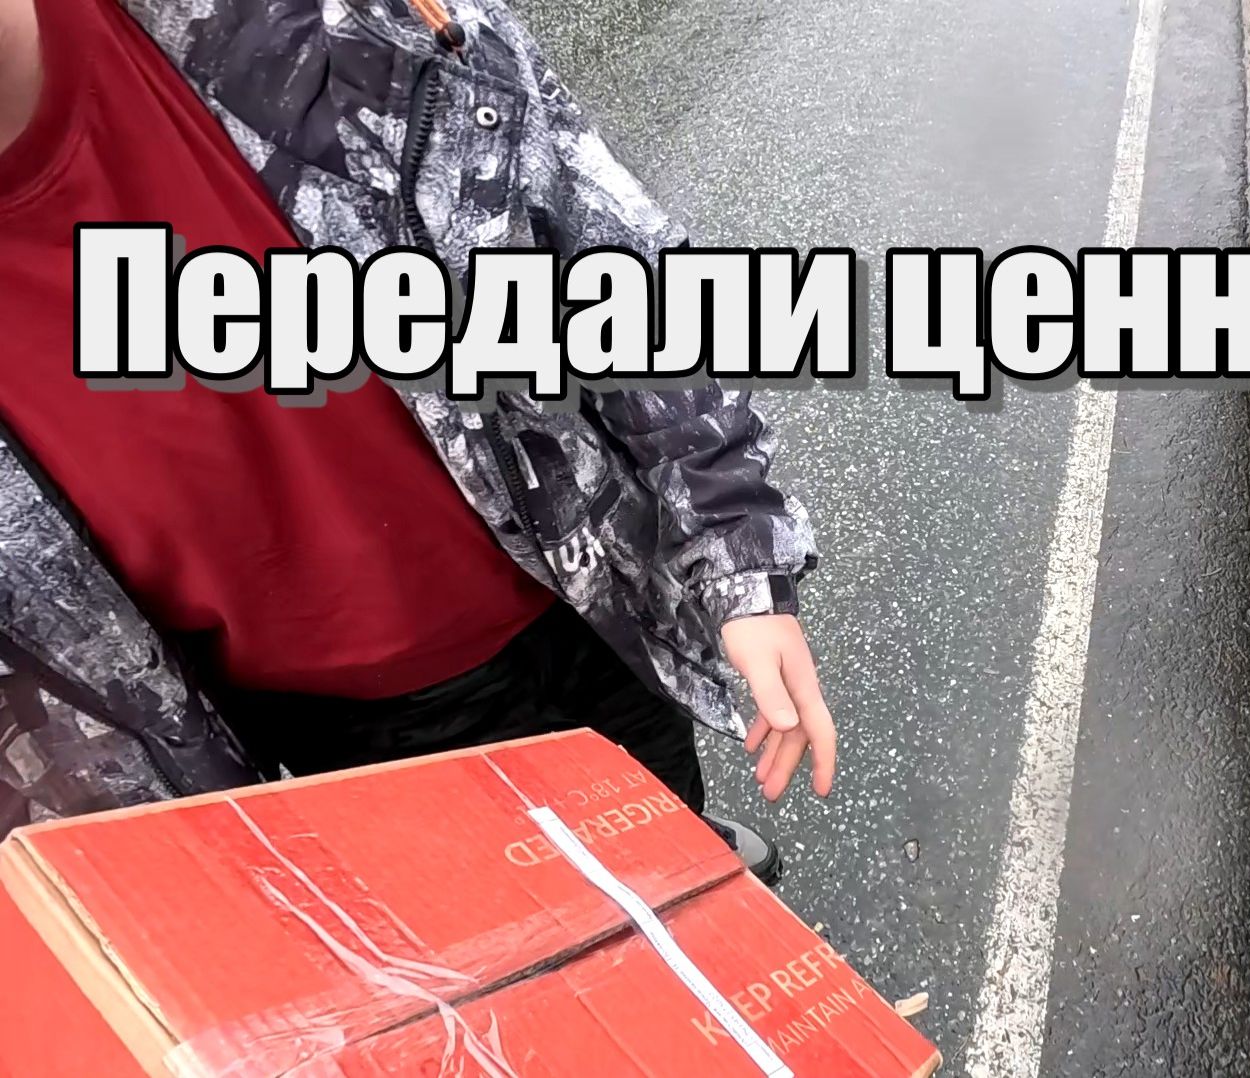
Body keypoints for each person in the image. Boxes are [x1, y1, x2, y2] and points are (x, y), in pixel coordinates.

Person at [0, 0, 835, 884]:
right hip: (343, 738)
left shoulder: (321, 24)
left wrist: (735, 546)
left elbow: (601, 248)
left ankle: (681, 857)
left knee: (664, 854)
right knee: (528, 942)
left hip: (581, 600)